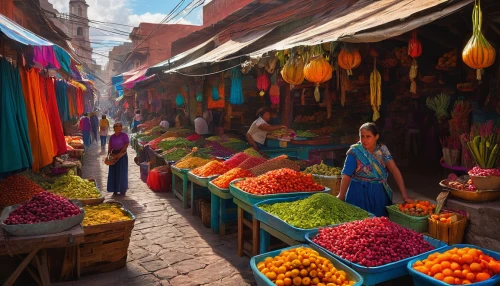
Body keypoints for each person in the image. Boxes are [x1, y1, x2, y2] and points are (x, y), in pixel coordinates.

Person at [337, 122, 414, 217]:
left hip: (379, 194)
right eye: (362, 136)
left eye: (368, 136)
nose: (364, 140)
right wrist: (341, 195)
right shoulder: (355, 151)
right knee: (359, 224)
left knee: (379, 225)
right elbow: (346, 175)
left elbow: (394, 170)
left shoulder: (382, 150)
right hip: (358, 193)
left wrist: (404, 195)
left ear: (376, 137)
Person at [107, 122, 129, 195]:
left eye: (119, 126)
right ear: (114, 128)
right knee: (113, 172)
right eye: (116, 126)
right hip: (113, 155)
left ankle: (122, 189)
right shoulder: (112, 137)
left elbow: (126, 145)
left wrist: (119, 154)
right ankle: (114, 189)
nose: (118, 128)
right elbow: (110, 146)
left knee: (122, 172)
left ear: (121, 128)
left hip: (122, 155)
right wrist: (109, 155)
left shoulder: (124, 135)